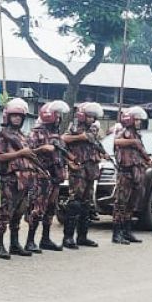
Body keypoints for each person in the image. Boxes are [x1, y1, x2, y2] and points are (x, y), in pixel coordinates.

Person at [0, 98, 37, 259]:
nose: (17, 118)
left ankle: (14, 244)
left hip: (25, 180)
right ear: (8, 117)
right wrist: (20, 153)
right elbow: (0, 156)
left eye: (20, 116)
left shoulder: (23, 136)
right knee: (6, 212)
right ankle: (0, 246)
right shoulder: (2, 135)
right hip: (10, 179)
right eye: (14, 116)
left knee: (19, 212)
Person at [27, 101, 73, 252]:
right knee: (38, 209)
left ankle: (45, 239)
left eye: (59, 116)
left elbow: (61, 153)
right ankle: (30, 241)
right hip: (41, 176)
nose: (58, 118)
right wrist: (42, 149)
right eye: (56, 115)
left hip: (56, 176)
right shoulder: (36, 133)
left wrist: (69, 164)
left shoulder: (56, 134)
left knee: (51, 208)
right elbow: (28, 152)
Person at [62, 102, 105, 249]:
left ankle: (82, 236)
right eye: (89, 116)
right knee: (75, 203)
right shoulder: (74, 128)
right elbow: (63, 139)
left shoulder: (93, 130)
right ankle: (68, 237)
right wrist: (82, 137)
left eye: (93, 117)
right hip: (78, 170)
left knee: (86, 205)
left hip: (90, 171)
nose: (91, 119)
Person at [112, 106, 152, 245]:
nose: (139, 122)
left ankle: (127, 232)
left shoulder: (137, 135)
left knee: (131, 204)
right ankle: (117, 233)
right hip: (125, 173)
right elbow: (116, 141)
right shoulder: (124, 132)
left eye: (139, 120)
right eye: (137, 120)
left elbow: (141, 153)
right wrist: (132, 142)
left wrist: (148, 161)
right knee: (121, 204)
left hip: (136, 173)